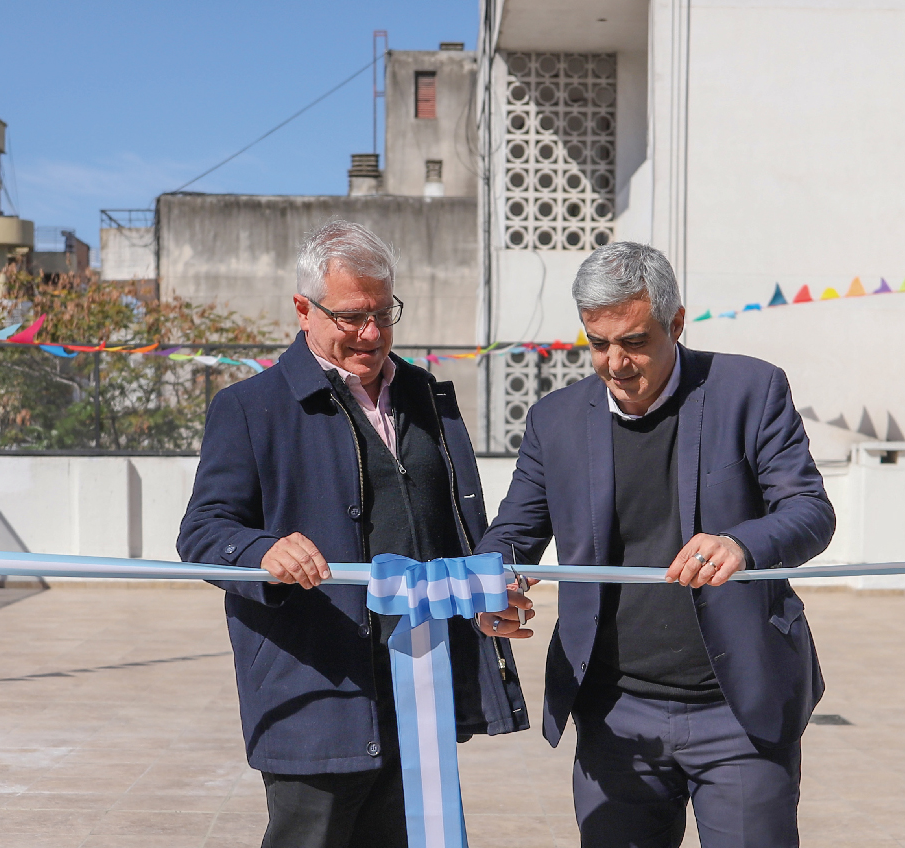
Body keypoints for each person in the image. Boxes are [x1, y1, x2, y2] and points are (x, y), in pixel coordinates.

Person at [178, 220, 534, 848]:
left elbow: (454, 526)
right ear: (303, 310)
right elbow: (204, 532)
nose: (371, 334)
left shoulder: (428, 397)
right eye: (351, 317)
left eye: (383, 313)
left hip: (419, 685)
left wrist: (486, 591)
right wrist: (264, 551)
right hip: (316, 689)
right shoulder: (249, 408)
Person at [477, 242, 835, 848]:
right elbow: (513, 533)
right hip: (615, 714)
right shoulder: (554, 420)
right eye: (597, 343)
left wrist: (742, 544)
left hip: (738, 711)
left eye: (635, 341)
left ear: (676, 323)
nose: (615, 363)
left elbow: (809, 511)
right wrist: (495, 583)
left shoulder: (750, 390)